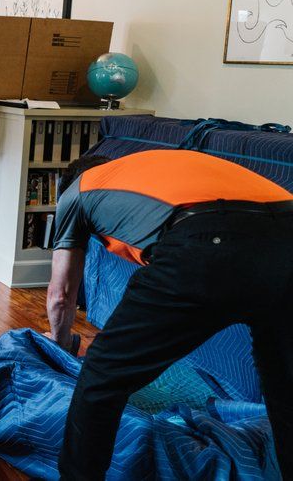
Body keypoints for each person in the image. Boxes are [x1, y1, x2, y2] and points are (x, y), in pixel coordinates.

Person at [46, 149, 293, 480]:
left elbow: (61, 295)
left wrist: (59, 343)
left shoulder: (76, 191)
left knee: (102, 375)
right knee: (283, 384)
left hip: (209, 239)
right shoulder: (152, 166)